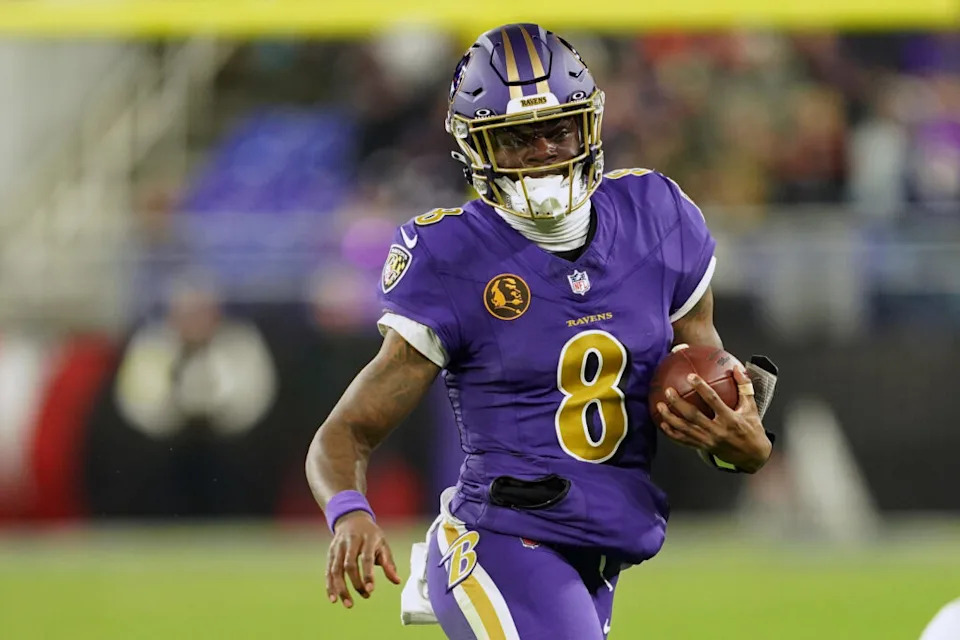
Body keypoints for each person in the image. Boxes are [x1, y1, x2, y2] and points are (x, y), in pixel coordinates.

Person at [306, 23, 778, 639]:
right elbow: (347, 431)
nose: (545, 151)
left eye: (558, 129)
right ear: (475, 147)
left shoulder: (655, 216)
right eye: (516, 139)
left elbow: (710, 389)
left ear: (591, 124)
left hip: (602, 548)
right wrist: (348, 514)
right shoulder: (451, 253)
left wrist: (745, 450)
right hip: (502, 539)